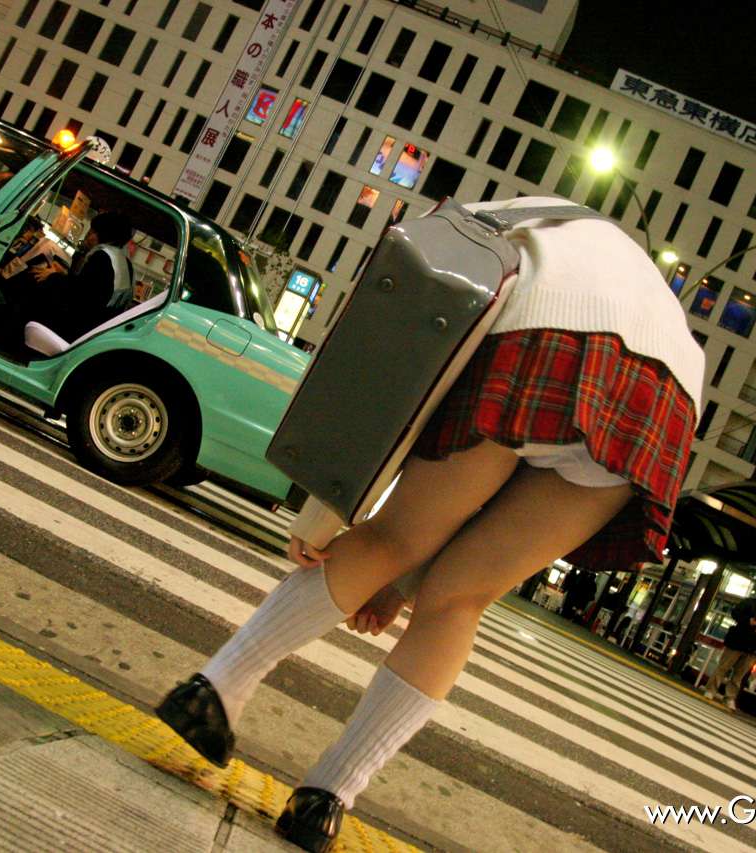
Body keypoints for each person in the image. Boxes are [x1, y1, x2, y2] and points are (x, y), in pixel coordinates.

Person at [155, 196, 705, 852]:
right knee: (461, 598)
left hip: (551, 336)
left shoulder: (493, 224)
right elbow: (491, 508)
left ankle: (216, 688)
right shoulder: (633, 281)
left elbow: (397, 370)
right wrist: (408, 585)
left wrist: (329, 511)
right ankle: (327, 797)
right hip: (665, 399)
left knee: (394, 537)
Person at [26, 211, 135, 344]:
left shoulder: (102, 257)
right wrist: (65, 274)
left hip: (79, 329)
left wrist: (52, 276)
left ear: (103, 234)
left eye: (92, 232)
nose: (89, 237)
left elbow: (80, 296)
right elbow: (92, 288)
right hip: (99, 329)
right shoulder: (125, 262)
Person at [705, 584, 756, 708]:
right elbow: (735, 613)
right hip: (737, 641)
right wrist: (747, 620)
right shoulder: (749, 603)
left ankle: (730, 697)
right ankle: (711, 690)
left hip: (753, 648)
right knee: (723, 668)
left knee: (739, 676)